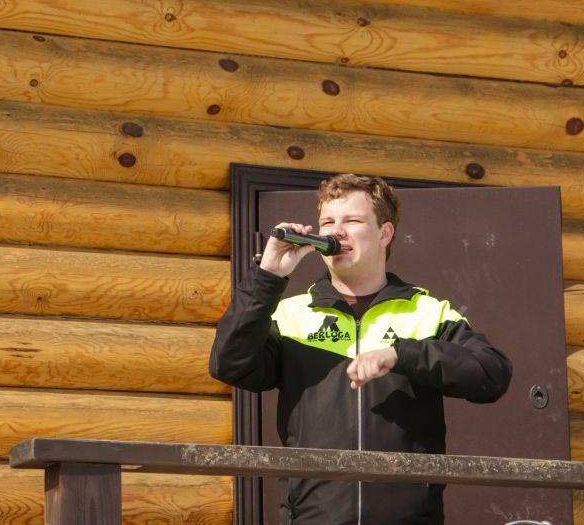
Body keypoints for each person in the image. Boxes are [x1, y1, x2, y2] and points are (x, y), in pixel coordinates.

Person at [210, 173, 512, 525]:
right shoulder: (291, 314)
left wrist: (402, 355)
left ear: (385, 233)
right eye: (327, 222)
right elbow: (229, 365)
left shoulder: (428, 312)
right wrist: (268, 276)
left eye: (352, 221)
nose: (336, 231)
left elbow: (492, 373)